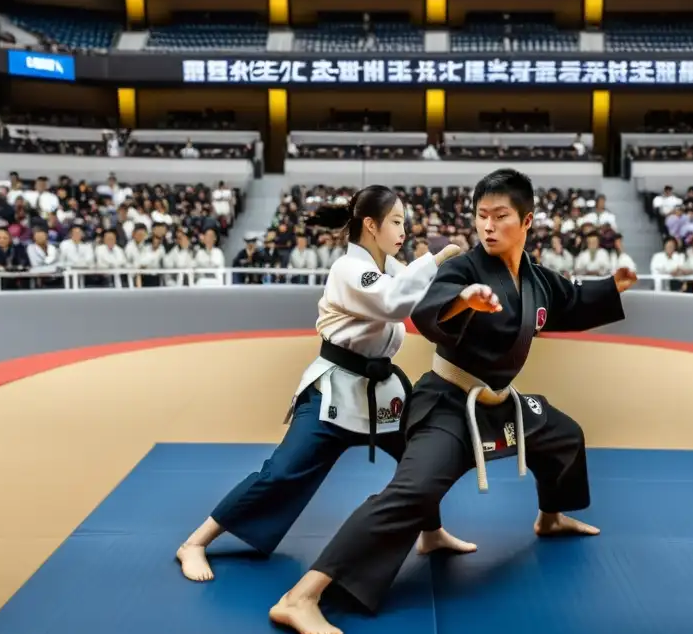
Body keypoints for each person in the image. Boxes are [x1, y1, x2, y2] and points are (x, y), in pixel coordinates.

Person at [269, 168, 637, 634]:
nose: (487, 226)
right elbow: (430, 305)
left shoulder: (536, 279)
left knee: (563, 435)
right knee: (413, 492)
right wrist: (463, 301)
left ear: (526, 221)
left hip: (499, 402)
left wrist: (614, 286)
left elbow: (573, 298)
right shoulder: (465, 267)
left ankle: (550, 516)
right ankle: (301, 596)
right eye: (481, 216)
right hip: (446, 402)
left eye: (500, 216)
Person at [176, 185, 475, 583]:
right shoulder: (348, 270)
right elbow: (393, 303)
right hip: (335, 390)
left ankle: (431, 532)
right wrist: (433, 261)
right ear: (371, 225)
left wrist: (465, 287)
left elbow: (424, 295)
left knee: (421, 458)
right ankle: (195, 543)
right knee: (281, 473)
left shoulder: (392, 268)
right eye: (397, 221)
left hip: (382, 389)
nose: (404, 229)